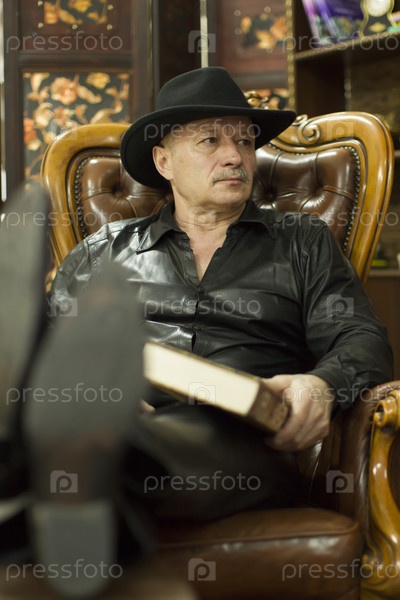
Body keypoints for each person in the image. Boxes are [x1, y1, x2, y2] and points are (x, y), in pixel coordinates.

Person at [0, 66, 393, 599]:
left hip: (246, 439)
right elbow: (49, 356)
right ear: (164, 161)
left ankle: (60, 470)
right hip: (126, 413)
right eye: (210, 140)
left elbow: (361, 339)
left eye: (245, 141)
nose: (235, 156)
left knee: (114, 444)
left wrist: (322, 384)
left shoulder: (302, 242)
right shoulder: (103, 252)